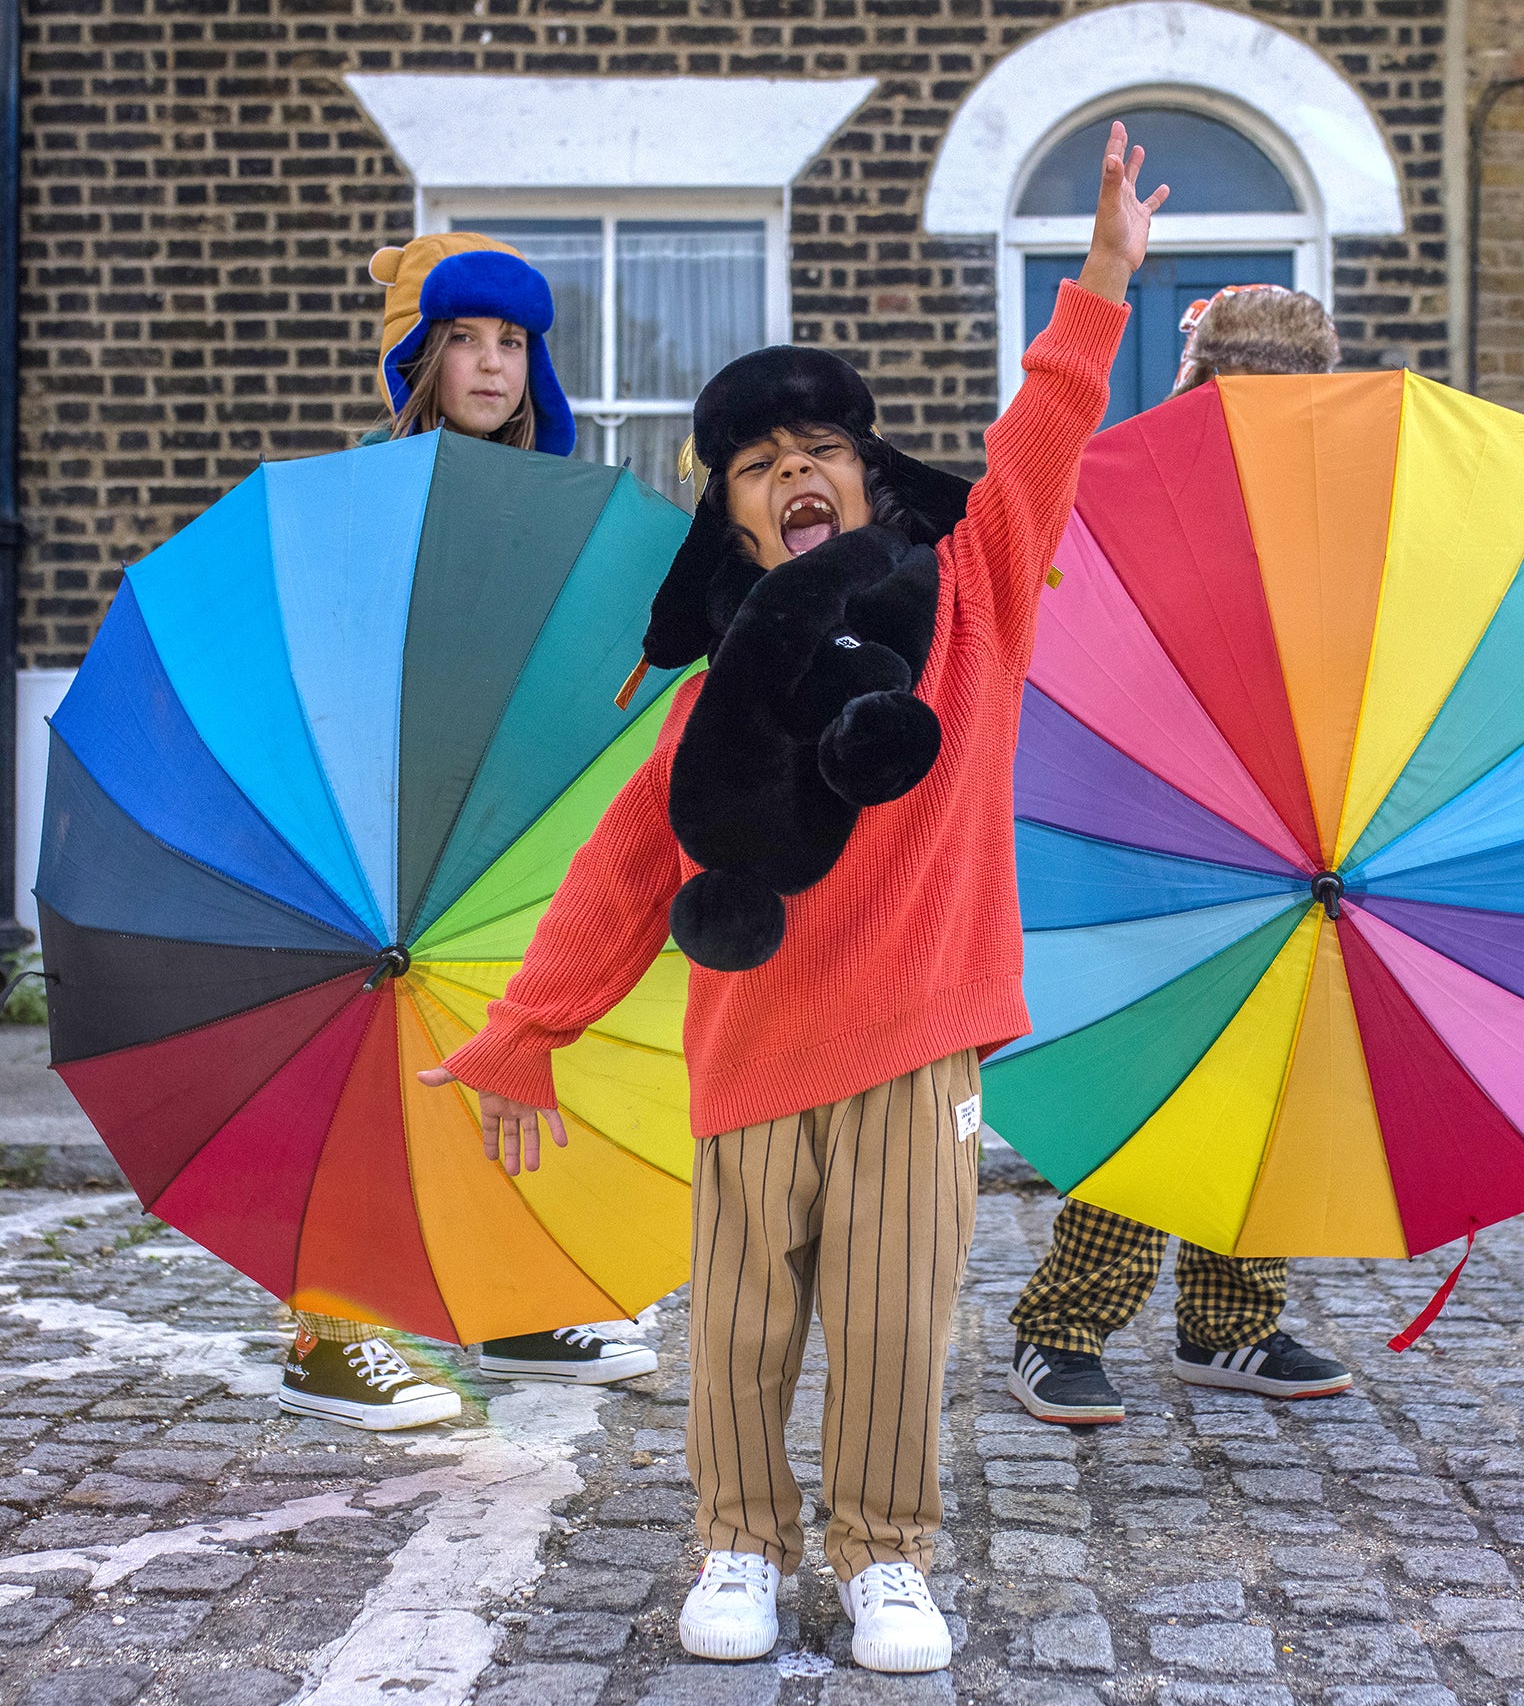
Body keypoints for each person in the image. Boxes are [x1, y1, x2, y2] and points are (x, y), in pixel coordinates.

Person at [416, 127, 1163, 1672]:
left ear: (871, 480)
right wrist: (526, 1033)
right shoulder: (712, 705)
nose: (794, 475)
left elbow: (1042, 440)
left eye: (820, 449)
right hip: (751, 1057)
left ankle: (886, 1555)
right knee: (744, 1331)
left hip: (920, 1048)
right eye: (759, 468)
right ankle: (739, 1543)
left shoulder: (973, 607)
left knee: (894, 1324)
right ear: (739, 525)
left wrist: (1099, 281)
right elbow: (624, 871)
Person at [276, 233, 657, 1433]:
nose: (491, 364)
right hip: (380, 806)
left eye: (513, 343)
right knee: (368, 1056)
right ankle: (329, 1335)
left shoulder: (557, 505)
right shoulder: (369, 497)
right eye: (465, 340)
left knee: (503, 1047)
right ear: (424, 357)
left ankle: (513, 1300)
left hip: (502, 814)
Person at [1007, 284, 1355, 1428]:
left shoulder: (1343, 512)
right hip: (1155, 823)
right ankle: (1063, 1325)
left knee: (1270, 1080)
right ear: (1199, 390)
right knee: (1160, 1076)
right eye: (1242, 399)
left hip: (1304, 834)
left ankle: (1232, 1318)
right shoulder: (1134, 492)